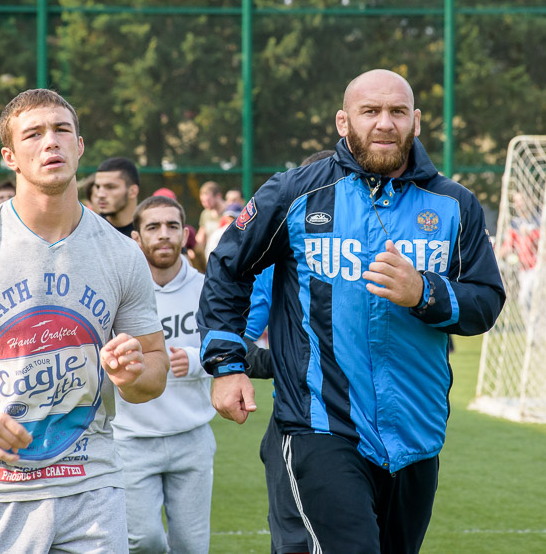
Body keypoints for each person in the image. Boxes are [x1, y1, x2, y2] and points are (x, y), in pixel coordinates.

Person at [197, 69, 506, 553]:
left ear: (416, 122)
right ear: (344, 122)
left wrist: (424, 291)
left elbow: (486, 302)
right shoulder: (294, 194)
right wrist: (226, 366)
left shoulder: (455, 205)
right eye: (371, 111)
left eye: (397, 112)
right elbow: (228, 269)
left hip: (417, 434)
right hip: (320, 425)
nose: (385, 123)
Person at [0, 89, 168, 553]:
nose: (51, 143)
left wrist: (134, 373)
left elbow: (155, 367)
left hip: (92, 484)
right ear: (10, 157)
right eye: (34, 134)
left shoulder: (122, 253)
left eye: (62, 130)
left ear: (80, 146)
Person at [113, 195, 215, 553]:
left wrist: (196, 358)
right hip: (131, 438)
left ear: (185, 234)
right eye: (153, 227)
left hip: (192, 437)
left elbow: (234, 347)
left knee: (191, 545)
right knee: (144, 541)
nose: (164, 235)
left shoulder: (206, 288)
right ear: (137, 238)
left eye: (172, 226)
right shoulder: (120, 291)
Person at [246, 149, 333, 554]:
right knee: (297, 542)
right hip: (298, 423)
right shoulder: (273, 262)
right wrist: (291, 364)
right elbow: (241, 344)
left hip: (375, 429)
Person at [90, 156, 140, 236]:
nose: (100, 194)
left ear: (133, 191)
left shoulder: (151, 231)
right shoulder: (89, 232)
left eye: (110, 187)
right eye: (98, 187)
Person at [196, 180, 224, 257]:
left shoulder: (230, 214)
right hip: (210, 255)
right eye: (202, 201)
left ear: (218, 196)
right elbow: (201, 238)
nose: (204, 204)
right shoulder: (205, 214)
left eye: (207, 200)